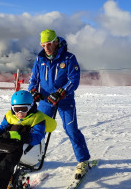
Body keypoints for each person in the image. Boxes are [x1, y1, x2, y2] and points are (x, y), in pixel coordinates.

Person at [29, 29, 90, 179]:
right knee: (37, 130)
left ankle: (83, 161)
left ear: (56, 42)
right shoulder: (40, 59)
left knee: (71, 130)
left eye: (49, 44)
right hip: (45, 100)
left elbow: (73, 80)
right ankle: (31, 159)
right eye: (43, 45)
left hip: (65, 100)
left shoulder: (69, 58)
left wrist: (60, 93)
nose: (46, 47)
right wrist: (33, 91)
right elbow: (33, 80)